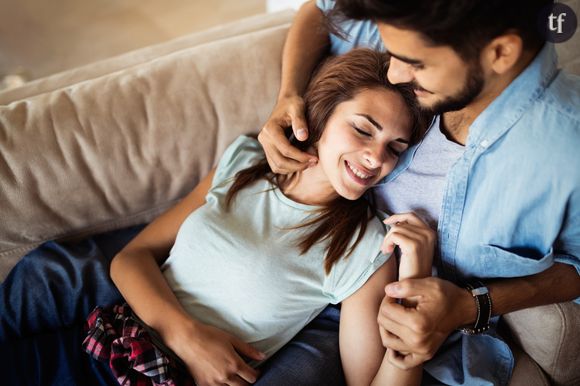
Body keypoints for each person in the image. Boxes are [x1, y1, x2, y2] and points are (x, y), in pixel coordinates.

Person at [1, 49, 434, 386]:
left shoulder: (363, 248)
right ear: (320, 116)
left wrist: (414, 285)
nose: (376, 157)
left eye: (395, 147)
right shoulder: (245, 163)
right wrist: (185, 336)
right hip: (95, 344)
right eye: (363, 129)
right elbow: (131, 259)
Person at [258, 0, 580, 385]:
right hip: (308, 285)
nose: (393, 74)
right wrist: (289, 94)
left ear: (500, 52)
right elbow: (319, 10)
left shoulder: (565, 150)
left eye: (414, 63)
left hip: (417, 330)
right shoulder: (414, 21)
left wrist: (470, 305)